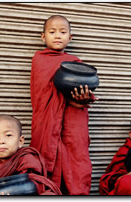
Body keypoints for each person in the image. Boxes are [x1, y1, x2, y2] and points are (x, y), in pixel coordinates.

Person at [30, 15, 98, 195]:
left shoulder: (76, 63)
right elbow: (41, 93)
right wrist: (68, 99)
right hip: (47, 121)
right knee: (47, 164)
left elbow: (83, 88)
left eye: (63, 32)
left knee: (76, 160)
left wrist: (84, 99)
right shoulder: (39, 60)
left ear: (70, 37)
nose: (57, 35)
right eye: (52, 32)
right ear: (43, 37)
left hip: (73, 122)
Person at [0, 115, 61, 195]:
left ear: (20, 141)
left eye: (8, 135)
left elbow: (34, 185)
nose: (1, 141)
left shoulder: (26, 159)